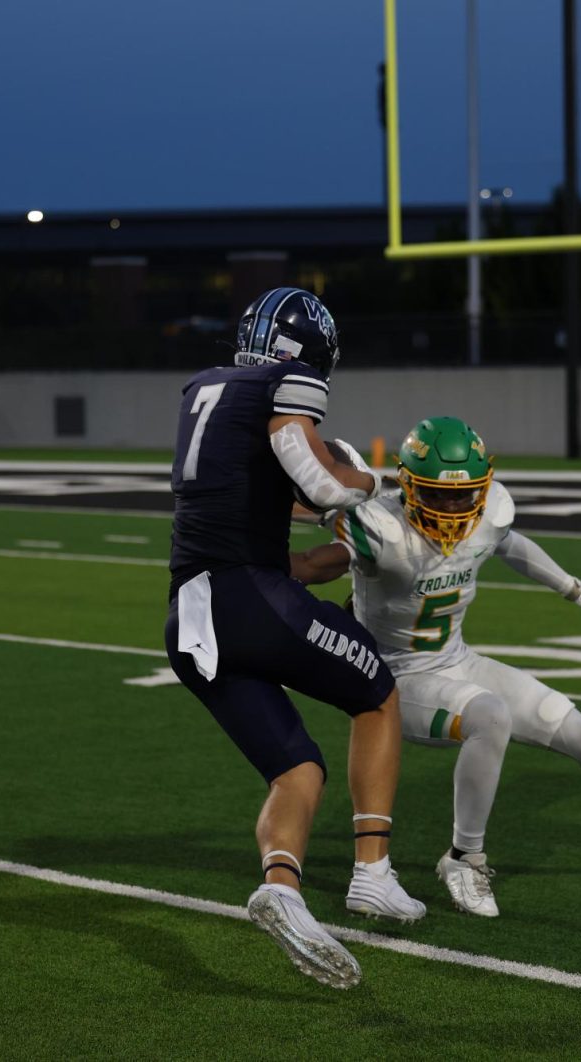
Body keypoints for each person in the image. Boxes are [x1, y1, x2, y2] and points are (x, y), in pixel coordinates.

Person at [290, 416, 581, 919]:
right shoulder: (380, 526)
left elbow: (509, 543)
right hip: (395, 677)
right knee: (490, 717)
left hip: (457, 661)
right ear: (408, 486)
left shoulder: (487, 513)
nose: (455, 508)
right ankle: (465, 859)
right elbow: (314, 564)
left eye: (465, 496)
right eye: (439, 496)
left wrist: (574, 587)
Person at [164, 287, 425, 990]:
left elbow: (279, 497)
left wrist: (344, 540)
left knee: (296, 769)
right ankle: (372, 872)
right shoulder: (286, 380)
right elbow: (317, 478)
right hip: (245, 595)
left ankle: (281, 887)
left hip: (189, 618)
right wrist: (368, 482)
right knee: (375, 690)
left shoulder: (205, 390)